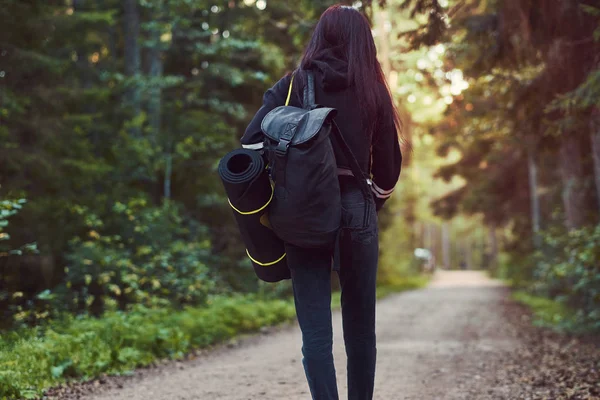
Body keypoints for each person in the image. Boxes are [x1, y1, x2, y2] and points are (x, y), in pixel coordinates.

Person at [241, 4, 402, 400]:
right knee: (361, 326)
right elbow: (388, 168)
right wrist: (368, 205)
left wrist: (286, 178)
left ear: (320, 36)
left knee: (315, 330)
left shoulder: (294, 85)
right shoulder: (373, 90)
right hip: (356, 206)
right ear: (363, 42)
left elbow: (249, 144)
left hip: (304, 210)